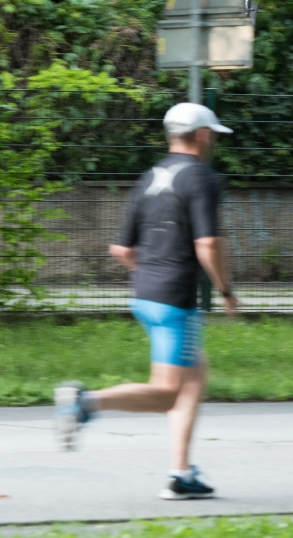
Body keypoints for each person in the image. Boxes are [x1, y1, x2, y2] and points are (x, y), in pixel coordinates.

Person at [56, 101, 239, 500]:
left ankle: (181, 472)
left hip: (145, 296)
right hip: (176, 300)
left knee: (194, 377)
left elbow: (121, 249)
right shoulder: (201, 178)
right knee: (168, 392)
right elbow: (208, 244)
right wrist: (226, 290)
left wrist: (154, 270)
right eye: (212, 137)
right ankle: (85, 402)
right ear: (204, 136)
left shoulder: (150, 177)